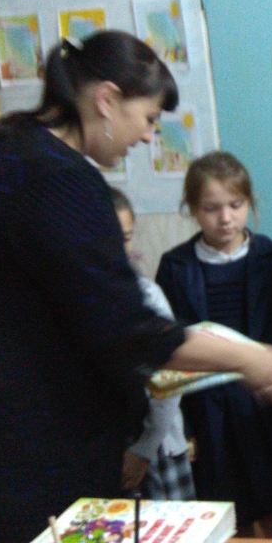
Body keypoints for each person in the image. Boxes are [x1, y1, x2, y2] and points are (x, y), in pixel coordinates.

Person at [0, 32, 272, 543]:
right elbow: (129, 328)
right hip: (15, 453)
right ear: (106, 100)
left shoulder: (5, 149)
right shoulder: (59, 178)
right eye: (148, 119)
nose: (148, 137)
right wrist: (250, 358)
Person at [156, 151, 272, 531]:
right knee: (222, 516)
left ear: (250, 204)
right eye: (211, 208)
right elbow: (169, 354)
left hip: (265, 405)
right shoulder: (175, 267)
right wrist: (184, 429)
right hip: (206, 415)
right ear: (192, 209)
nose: (225, 218)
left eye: (236, 205)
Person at [111, 186, 195, 501]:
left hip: (155, 443)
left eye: (125, 237)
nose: (117, 248)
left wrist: (144, 448)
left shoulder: (146, 294)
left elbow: (170, 378)